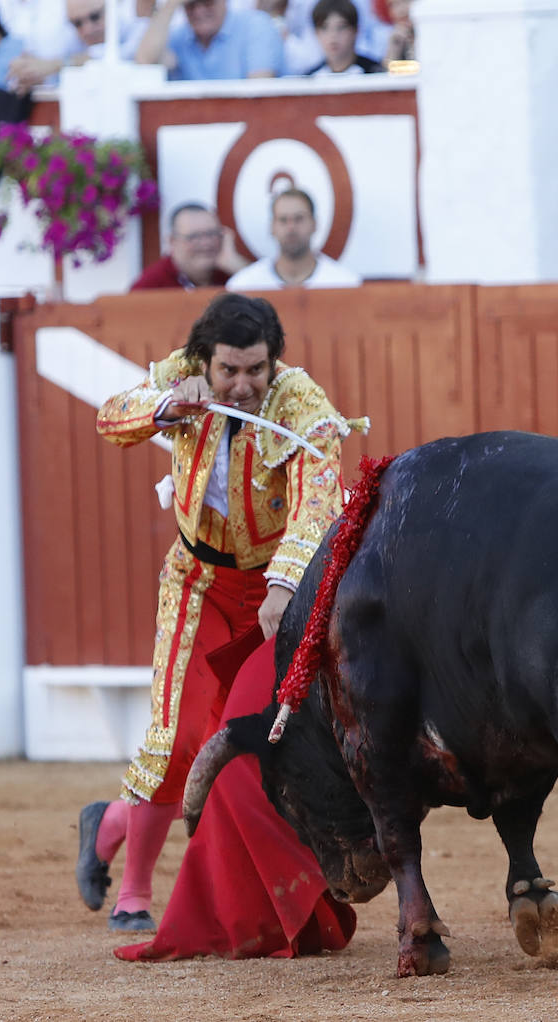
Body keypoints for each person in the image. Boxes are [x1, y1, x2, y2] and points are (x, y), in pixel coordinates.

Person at [79, 292, 366, 943]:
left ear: (274, 364)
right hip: (198, 581)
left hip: (274, 593)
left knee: (246, 746)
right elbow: (110, 419)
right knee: (177, 737)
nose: (241, 384)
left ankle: (108, 826)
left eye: (255, 371)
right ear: (207, 360)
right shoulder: (182, 376)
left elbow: (317, 504)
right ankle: (133, 893)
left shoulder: (303, 408)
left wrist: (285, 584)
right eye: (229, 370)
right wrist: (162, 408)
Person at [227, 188, 362, 291]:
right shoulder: (244, 287)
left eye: (299, 218)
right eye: (283, 220)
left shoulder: (345, 284)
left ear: (314, 224)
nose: (291, 227)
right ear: (272, 227)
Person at [6, 0, 154, 92]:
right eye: (77, 23)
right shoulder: (70, 39)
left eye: (95, 16)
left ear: (112, 7)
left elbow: (129, 55)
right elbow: (53, 71)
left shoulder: (137, 26)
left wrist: (57, 65)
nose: (87, 29)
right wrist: (33, 75)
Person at [134, 0, 281, 80]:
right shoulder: (179, 37)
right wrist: (171, 4)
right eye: (190, 4)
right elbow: (145, 60)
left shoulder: (255, 25)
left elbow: (260, 90)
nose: (199, 11)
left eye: (207, 2)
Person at [131, 202, 248, 290]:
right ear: (172, 242)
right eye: (194, 237)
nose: (205, 243)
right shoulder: (151, 285)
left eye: (211, 234)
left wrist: (234, 264)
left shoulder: (231, 276)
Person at [306, 0, 379, 75]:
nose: (333, 35)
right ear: (316, 33)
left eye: (341, 27)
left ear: (356, 30)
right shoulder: (309, 79)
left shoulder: (377, 74)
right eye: (324, 27)